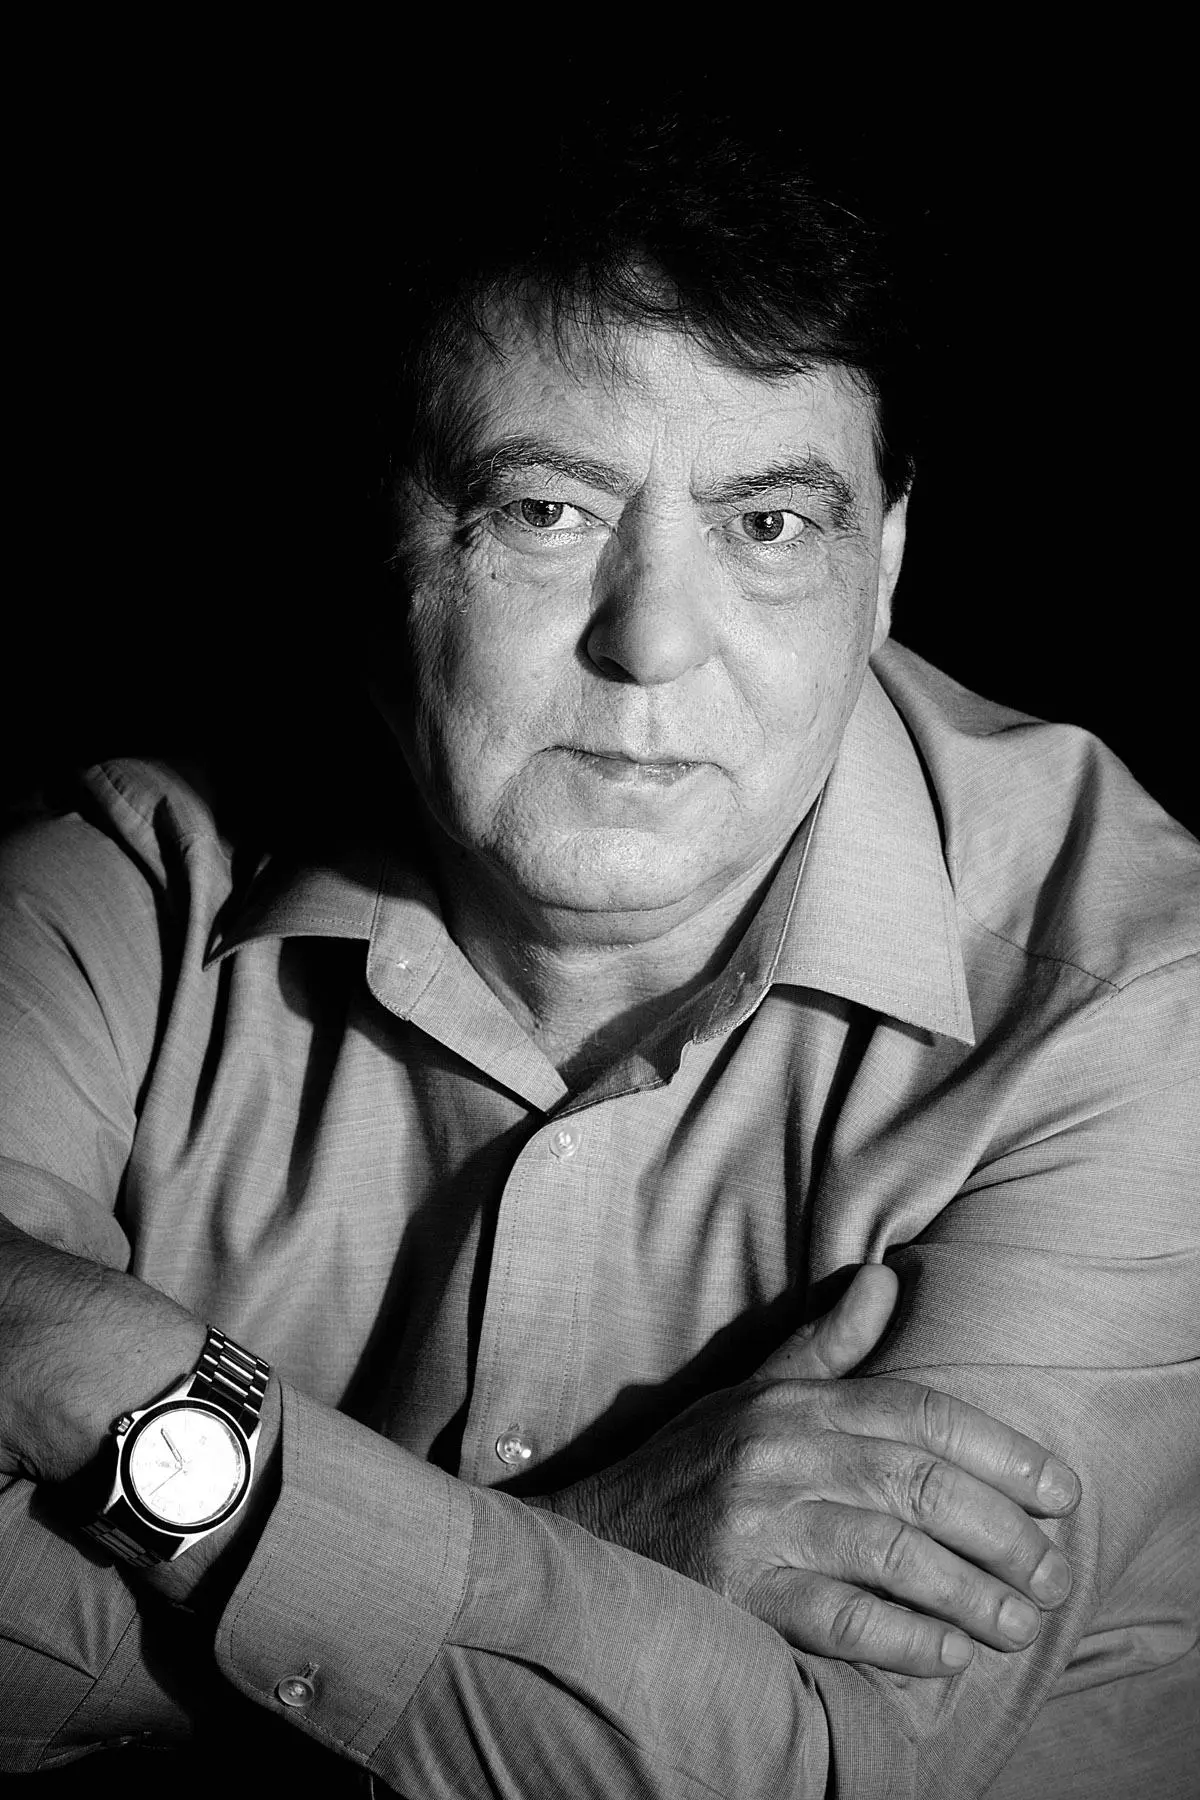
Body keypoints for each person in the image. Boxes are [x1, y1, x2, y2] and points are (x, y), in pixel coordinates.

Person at [1, 115, 1197, 1798]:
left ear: (884, 569)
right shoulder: (120, 888)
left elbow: (807, 1769)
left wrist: (96, 1369)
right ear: (372, 534)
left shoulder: (1130, 994)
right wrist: (605, 1546)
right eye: (546, 511)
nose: (652, 640)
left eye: (769, 526)